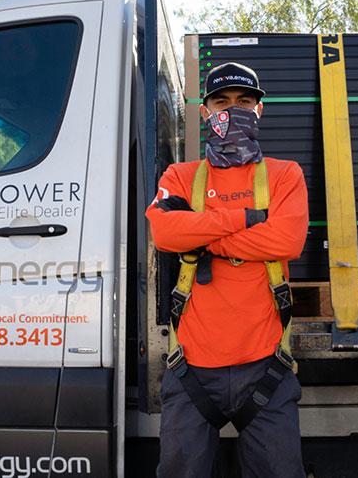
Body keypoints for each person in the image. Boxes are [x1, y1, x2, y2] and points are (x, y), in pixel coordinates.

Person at [146, 62, 308, 478]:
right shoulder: (179, 177)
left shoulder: (284, 174)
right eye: (221, 101)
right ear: (204, 111)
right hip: (192, 368)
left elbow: (285, 242)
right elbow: (165, 232)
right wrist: (247, 219)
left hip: (266, 366)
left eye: (244, 101)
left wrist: (200, 233)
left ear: (258, 109)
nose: (232, 109)